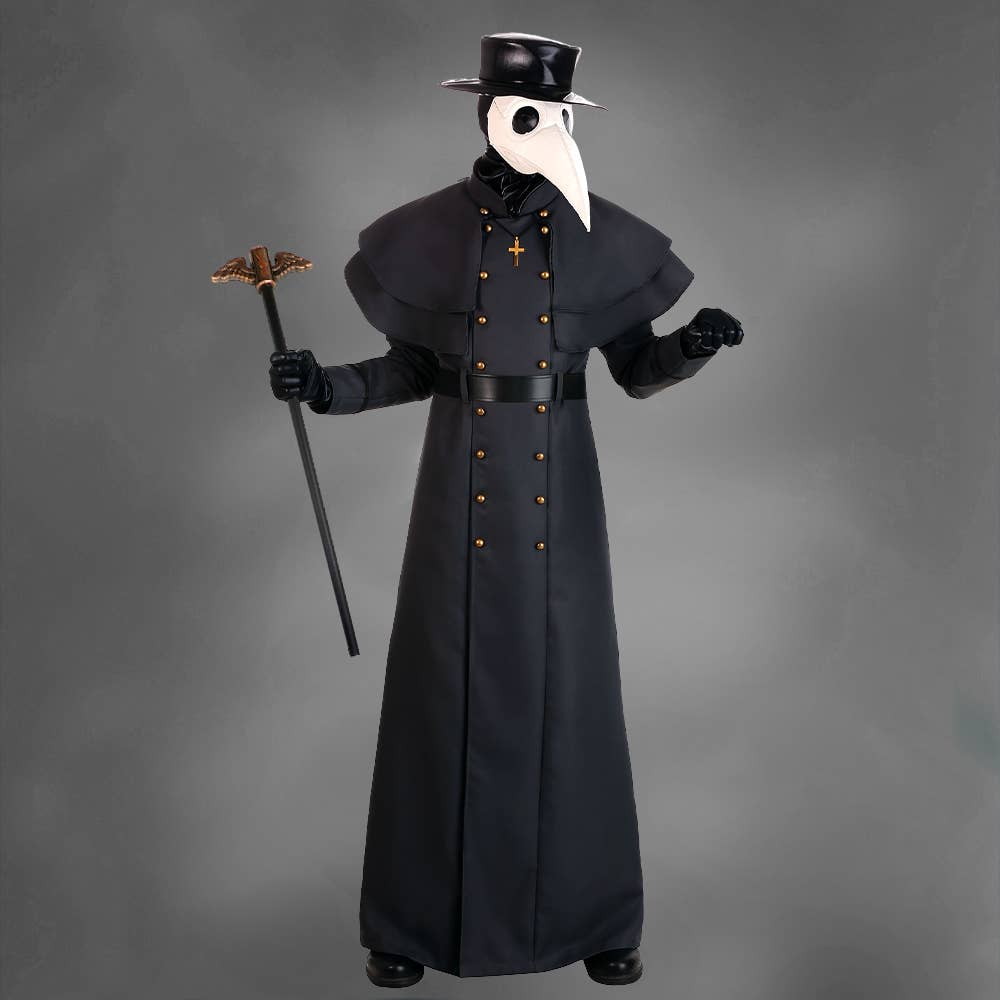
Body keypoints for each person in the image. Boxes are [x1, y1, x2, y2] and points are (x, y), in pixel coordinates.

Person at [269, 32, 743, 988]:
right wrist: (322, 386)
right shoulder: (425, 232)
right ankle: (410, 929)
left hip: (562, 500)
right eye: (531, 113)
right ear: (490, 115)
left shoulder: (603, 233)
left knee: (574, 700)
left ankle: (597, 922)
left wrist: (692, 344)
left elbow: (638, 368)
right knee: (437, 697)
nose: (549, 129)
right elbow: (408, 368)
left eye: (563, 115)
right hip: (456, 495)